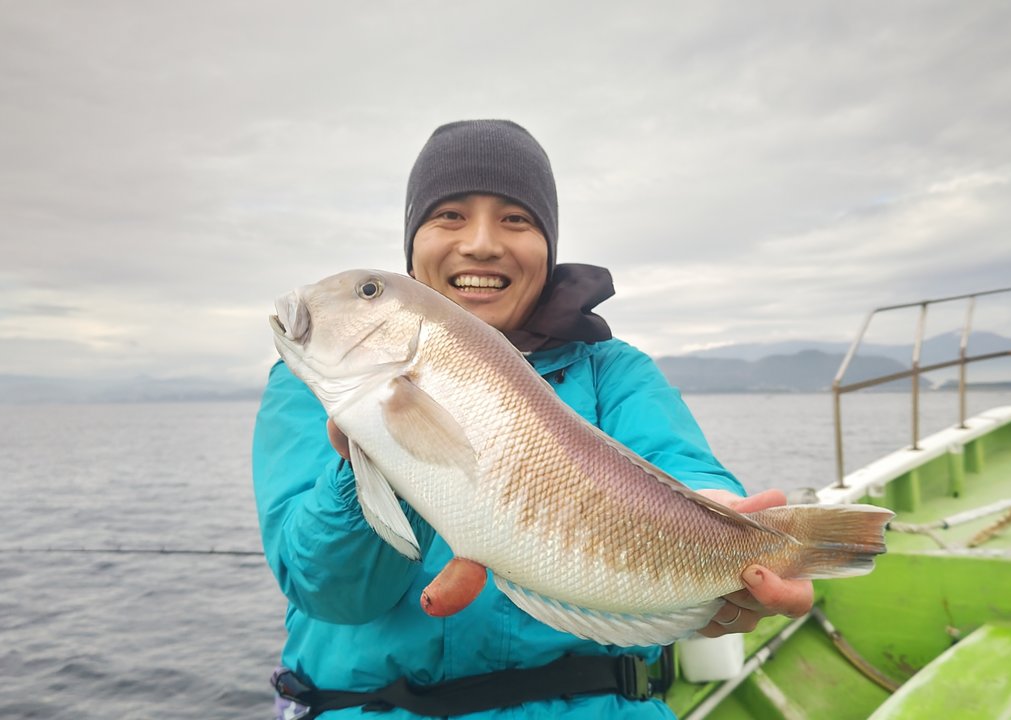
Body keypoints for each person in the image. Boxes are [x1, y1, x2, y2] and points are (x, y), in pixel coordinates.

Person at [252, 119, 813, 719]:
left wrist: (723, 524)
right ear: (412, 242)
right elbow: (327, 590)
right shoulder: (309, 387)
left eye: (516, 219)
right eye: (449, 215)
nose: (481, 243)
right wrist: (373, 462)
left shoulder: (613, 370)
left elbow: (680, 466)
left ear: (549, 243)